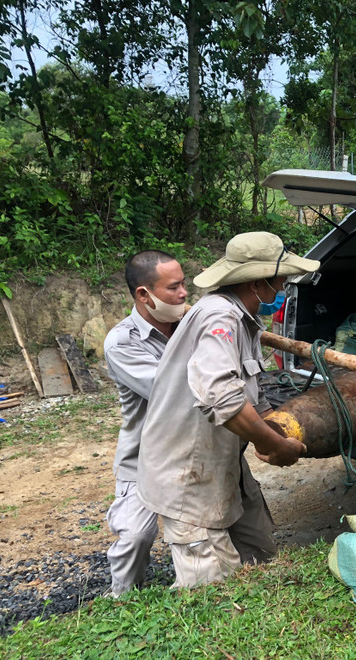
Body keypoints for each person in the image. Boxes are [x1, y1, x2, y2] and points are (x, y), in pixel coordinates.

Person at [137, 232, 320, 588]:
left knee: (261, 558)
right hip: (188, 472)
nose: (283, 286)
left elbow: (249, 392)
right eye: (280, 280)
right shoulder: (219, 318)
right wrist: (275, 444)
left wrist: (279, 428)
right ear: (257, 282)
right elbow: (221, 395)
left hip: (221, 463)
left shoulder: (243, 318)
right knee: (214, 589)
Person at [103, 250, 188, 596]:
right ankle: (121, 599)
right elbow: (172, 390)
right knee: (136, 536)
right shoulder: (122, 343)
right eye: (174, 287)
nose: (184, 293)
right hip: (145, 457)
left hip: (190, 450)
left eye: (184, 284)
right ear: (144, 294)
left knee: (218, 525)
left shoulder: (189, 323)